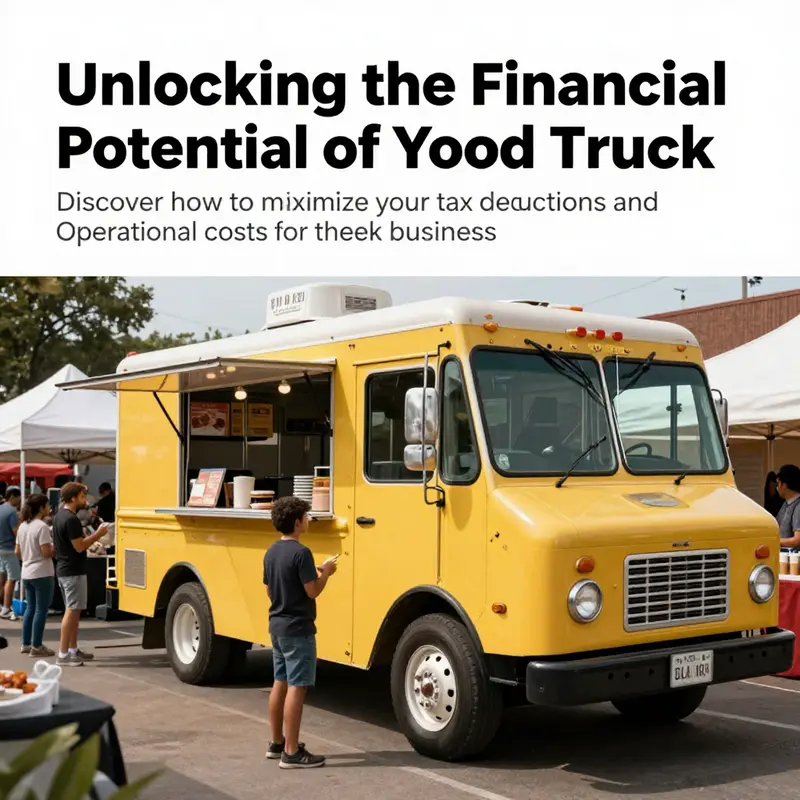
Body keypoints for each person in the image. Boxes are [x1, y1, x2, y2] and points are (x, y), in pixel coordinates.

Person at [263, 496, 337, 769]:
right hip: (298, 628)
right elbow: (313, 591)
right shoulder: (302, 553)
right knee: (298, 686)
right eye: (306, 517)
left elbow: (270, 590)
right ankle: (292, 753)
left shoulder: (271, 552)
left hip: (277, 626)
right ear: (297, 522)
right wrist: (326, 572)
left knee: (279, 682)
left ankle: (276, 743)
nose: (308, 520)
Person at [52, 482, 109, 667]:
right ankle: (63, 653)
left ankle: (72, 650)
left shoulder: (60, 516)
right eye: (82, 496)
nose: (85, 500)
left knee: (74, 612)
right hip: (72, 570)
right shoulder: (71, 519)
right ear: (73, 498)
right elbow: (79, 546)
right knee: (72, 612)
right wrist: (99, 534)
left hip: (65, 569)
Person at [16, 494, 55, 657]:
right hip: (42, 572)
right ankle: (37, 645)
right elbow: (46, 552)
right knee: (41, 610)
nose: (49, 508)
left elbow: (17, 552)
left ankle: (26, 643)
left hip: (27, 571)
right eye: (47, 505)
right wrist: (55, 549)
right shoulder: (42, 527)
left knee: (30, 608)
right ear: (41, 508)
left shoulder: (23, 526)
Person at [0, 488, 22, 620]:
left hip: (0, 548)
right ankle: (6, 608)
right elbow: (16, 532)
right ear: (13, 497)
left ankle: (2, 605)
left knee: (2, 578)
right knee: (11, 579)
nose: (19, 501)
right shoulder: (12, 512)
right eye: (18, 498)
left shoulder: (0, 508)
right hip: (9, 548)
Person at [775, 465, 800, 548]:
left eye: (778, 483)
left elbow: (797, 540)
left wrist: (772, 541)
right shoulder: (785, 503)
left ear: (784, 485)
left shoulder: (798, 506)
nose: (777, 487)